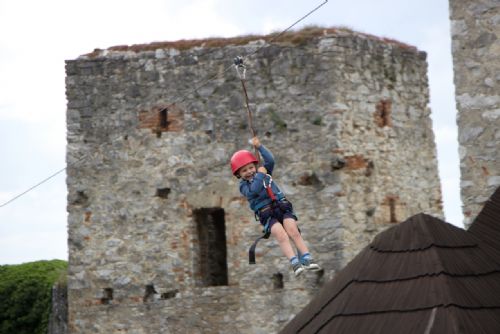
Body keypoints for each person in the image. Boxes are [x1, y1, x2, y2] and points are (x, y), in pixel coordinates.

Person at [230, 137, 321, 276]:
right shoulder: (244, 186)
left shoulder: (264, 172)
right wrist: (260, 174)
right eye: (244, 171)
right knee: (281, 235)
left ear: (255, 165)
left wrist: (259, 147)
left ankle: (307, 257)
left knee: (293, 230)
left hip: (282, 207)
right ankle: (294, 262)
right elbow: (254, 189)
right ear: (238, 174)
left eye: (250, 167)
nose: (249, 171)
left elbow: (270, 160)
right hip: (267, 214)